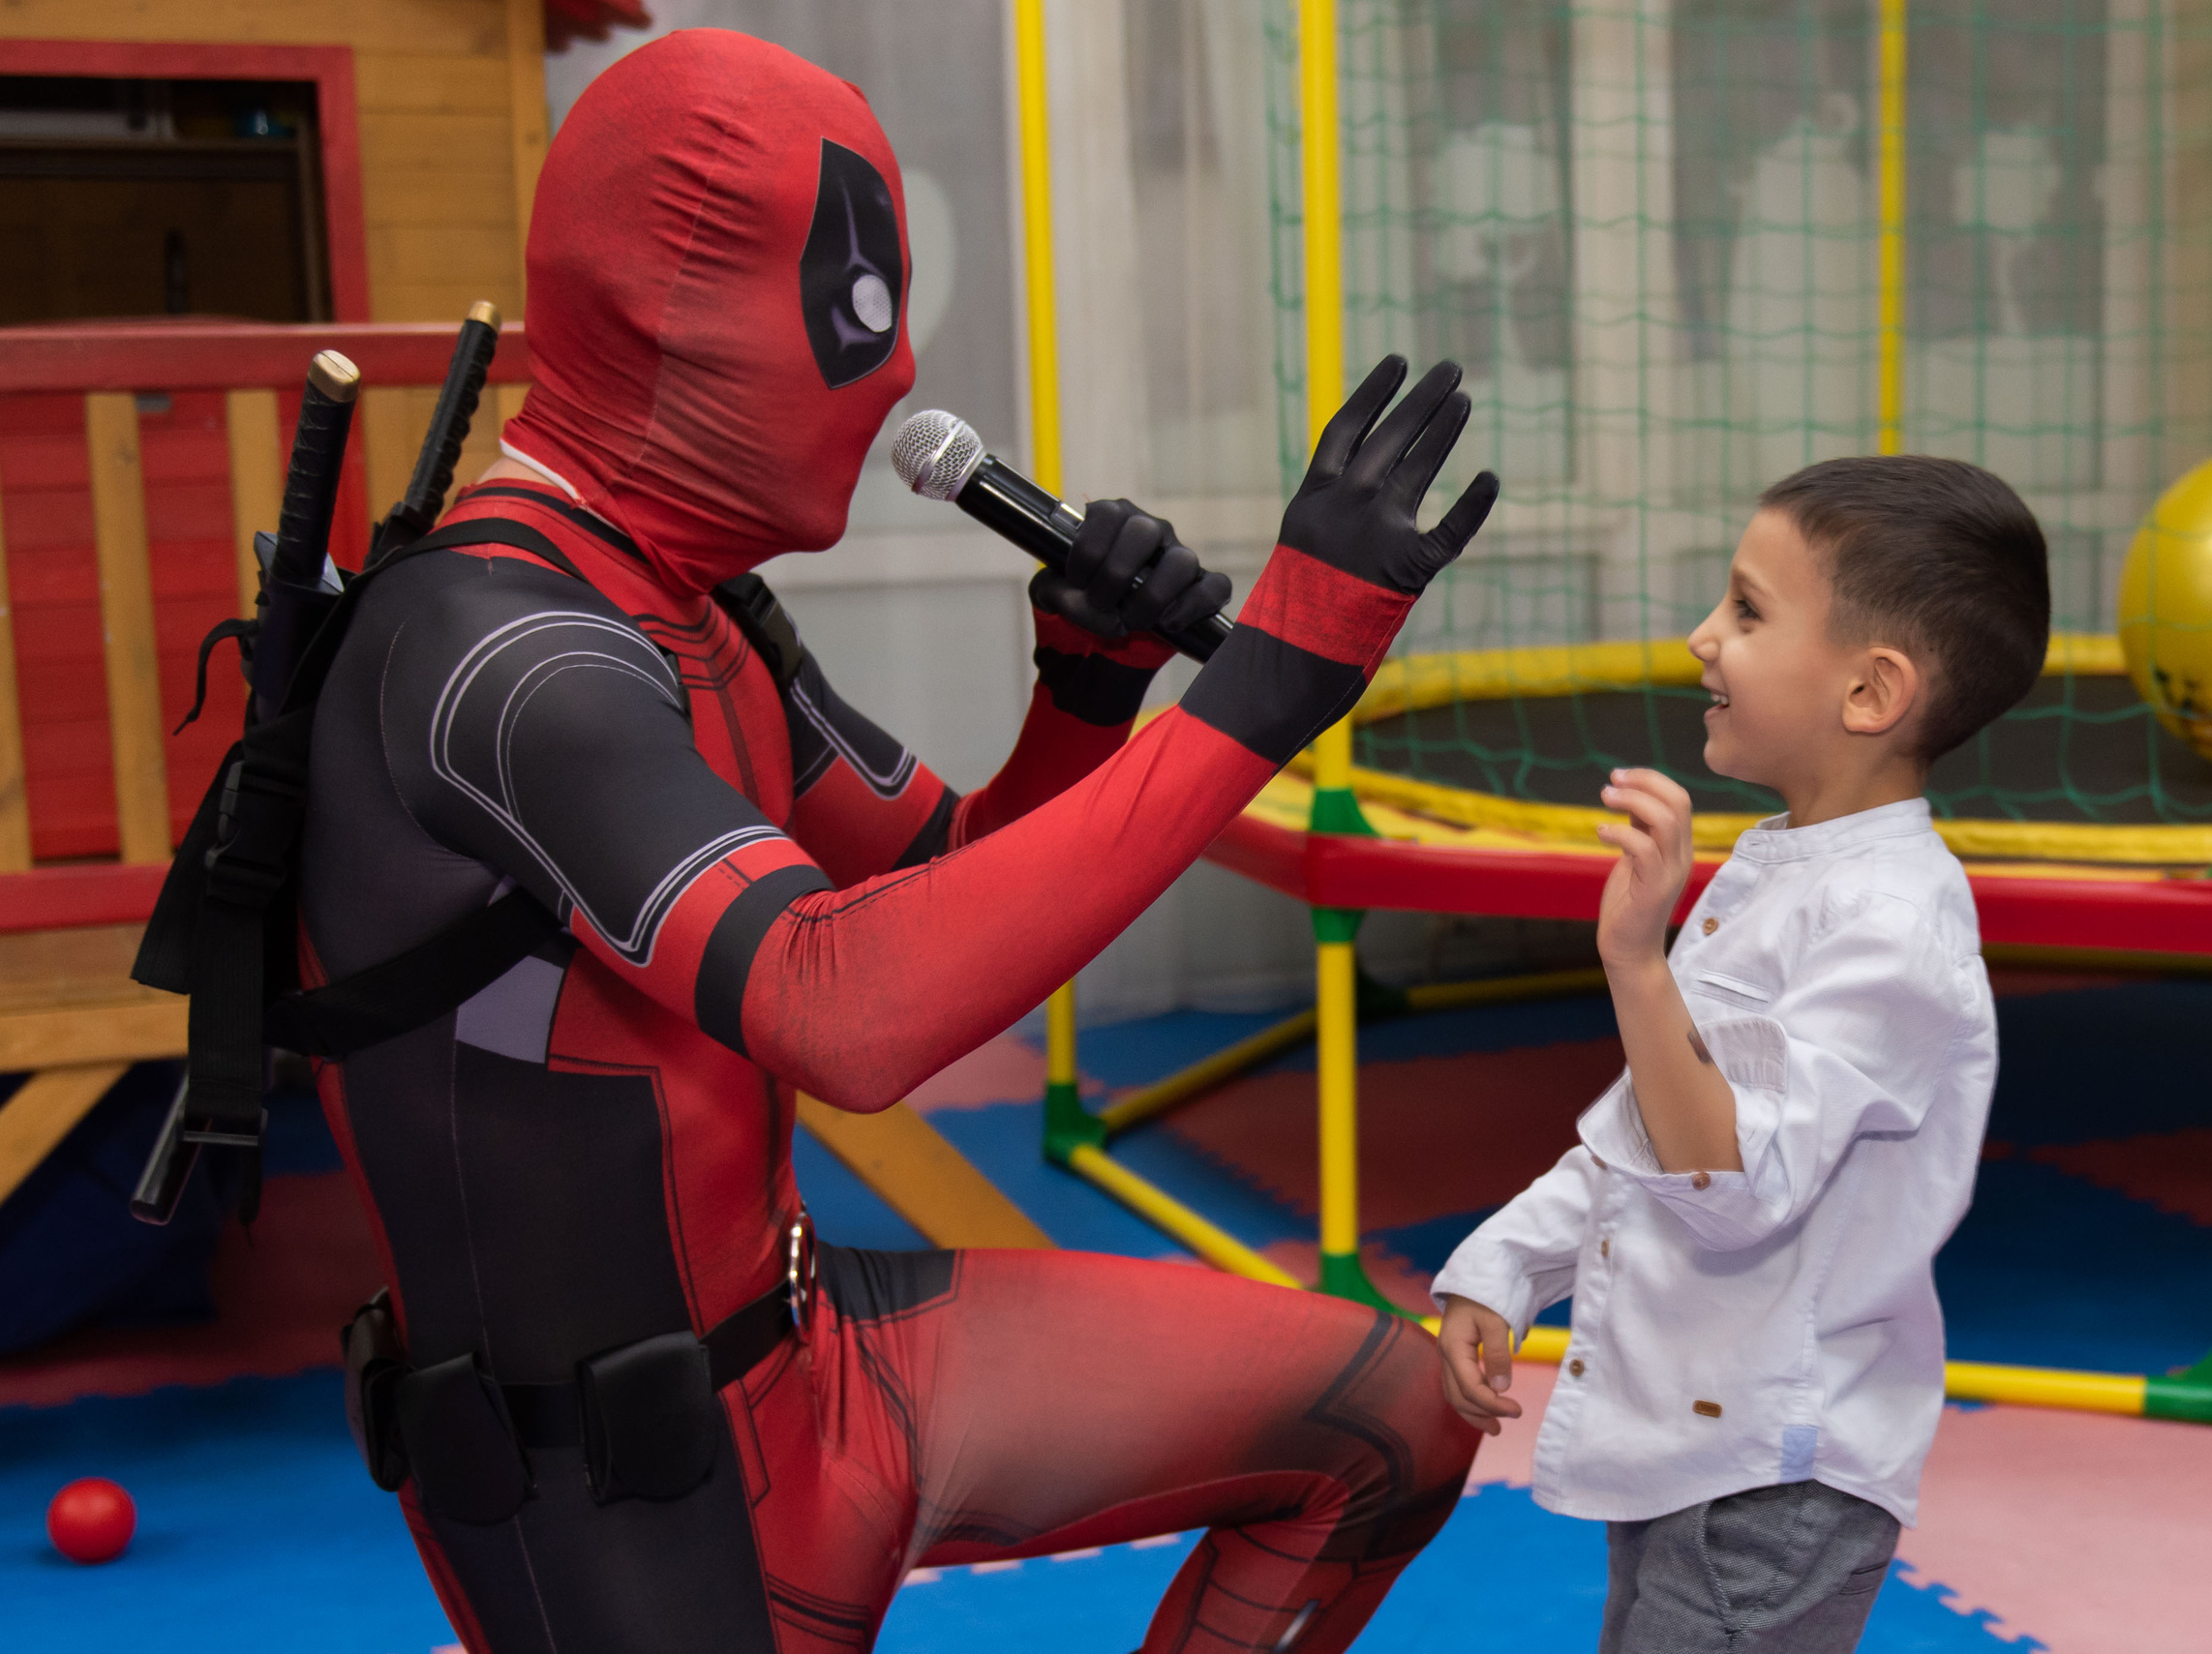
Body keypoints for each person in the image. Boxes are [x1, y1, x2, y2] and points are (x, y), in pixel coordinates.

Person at [299, 29, 1499, 1654]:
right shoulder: (504, 654)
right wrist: (1270, 686)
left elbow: (937, 884)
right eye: (852, 311)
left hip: (824, 1350)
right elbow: (845, 1008)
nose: (890, 374)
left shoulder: (690, 607)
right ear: (677, 318)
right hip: (628, 1491)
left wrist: (1087, 686)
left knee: (1395, 1416)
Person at [1430, 456, 2050, 1653]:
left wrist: (1636, 963)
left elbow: (1728, 1181)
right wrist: (1506, 1260)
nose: (1702, 635)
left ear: (1870, 692)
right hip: (1684, 1430)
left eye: (1749, 609)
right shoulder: (1782, 864)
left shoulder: (1890, 926)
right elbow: (1648, 1130)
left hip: (1778, 1470)